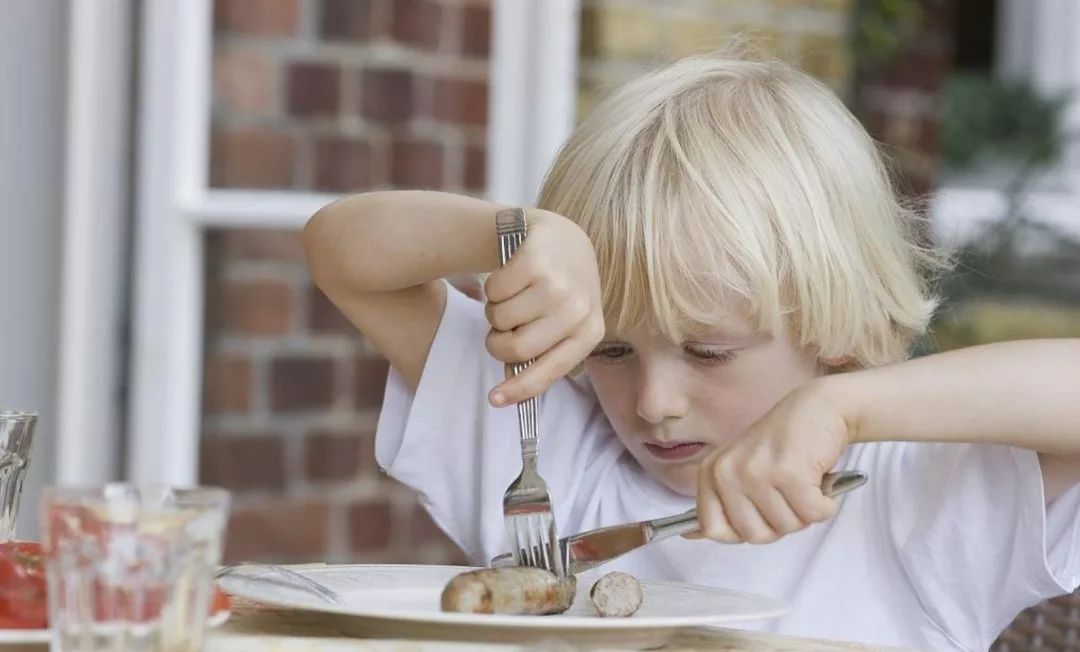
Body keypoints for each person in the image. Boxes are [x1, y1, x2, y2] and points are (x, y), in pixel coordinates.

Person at [302, 52, 1080, 650]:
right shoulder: (549, 450)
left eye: (708, 352)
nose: (652, 401)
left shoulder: (913, 494)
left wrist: (840, 408)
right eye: (611, 349)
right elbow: (343, 255)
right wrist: (513, 234)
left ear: (832, 328)